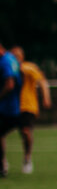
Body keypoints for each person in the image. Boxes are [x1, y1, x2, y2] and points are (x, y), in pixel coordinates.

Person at [10, 47, 50, 174]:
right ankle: (3, 162)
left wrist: (46, 97)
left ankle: (27, 158)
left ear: (23, 56)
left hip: (27, 106)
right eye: (14, 55)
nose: (16, 57)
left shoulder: (28, 68)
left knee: (25, 132)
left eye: (18, 55)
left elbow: (42, 81)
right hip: (11, 106)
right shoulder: (8, 68)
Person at [0, 41, 22, 178]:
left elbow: (10, 85)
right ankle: (2, 165)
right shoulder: (10, 59)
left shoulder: (5, 61)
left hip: (8, 108)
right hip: (11, 107)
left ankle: (2, 165)